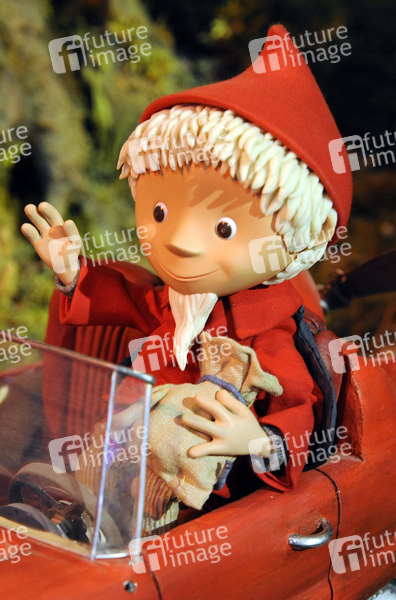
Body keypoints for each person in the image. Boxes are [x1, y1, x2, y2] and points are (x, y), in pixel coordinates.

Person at [22, 24, 352, 498]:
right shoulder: (174, 303)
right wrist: (74, 274)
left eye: (224, 229)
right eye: (159, 213)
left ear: (299, 237)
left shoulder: (269, 334)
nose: (179, 241)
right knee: (98, 470)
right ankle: (84, 496)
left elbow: (299, 407)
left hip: (202, 481)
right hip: (132, 444)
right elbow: (123, 299)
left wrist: (258, 440)